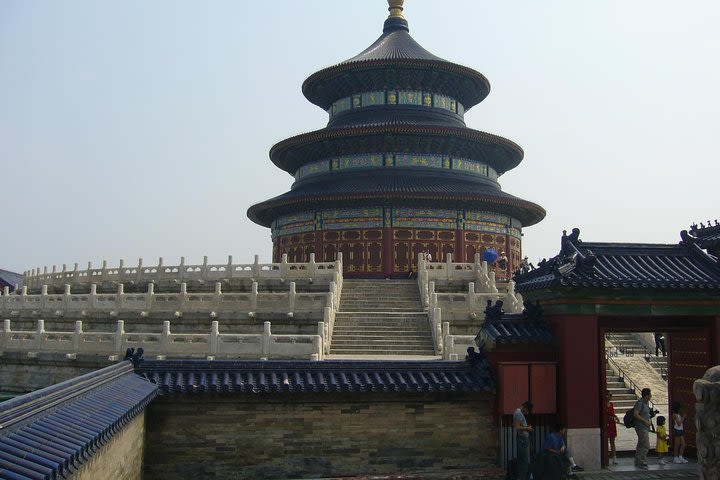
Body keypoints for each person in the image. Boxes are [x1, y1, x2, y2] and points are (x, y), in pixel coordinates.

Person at [633, 388, 653, 470]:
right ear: (647, 396)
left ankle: (638, 460)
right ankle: (642, 461)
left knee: (641, 444)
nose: (651, 396)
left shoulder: (646, 404)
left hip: (645, 427)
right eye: (650, 395)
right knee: (645, 445)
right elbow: (636, 414)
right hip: (641, 427)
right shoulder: (640, 403)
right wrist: (645, 421)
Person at [513, 401, 533, 480]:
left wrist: (526, 426)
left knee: (523, 459)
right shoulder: (519, 414)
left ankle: (523, 477)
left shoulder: (517, 412)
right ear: (525, 407)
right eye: (527, 411)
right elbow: (517, 427)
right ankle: (522, 478)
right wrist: (527, 428)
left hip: (523, 438)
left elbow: (515, 425)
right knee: (524, 460)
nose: (527, 413)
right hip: (522, 439)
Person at [606, 390, 620, 465]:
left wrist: (616, 417)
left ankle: (614, 457)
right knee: (606, 440)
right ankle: (606, 455)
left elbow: (612, 413)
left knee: (612, 441)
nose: (611, 396)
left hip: (612, 423)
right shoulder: (604, 404)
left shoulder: (611, 404)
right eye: (609, 395)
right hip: (606, 423)